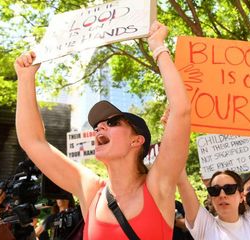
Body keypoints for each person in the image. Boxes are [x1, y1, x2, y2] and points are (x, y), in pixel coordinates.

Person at [14, 20, 191, 239]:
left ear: (136, 141)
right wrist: (25, 78)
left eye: (113, 122)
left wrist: (158, 47)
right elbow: (33, 142)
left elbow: (181, 111)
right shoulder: (91, 190)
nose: (100, 127)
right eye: (97, 126)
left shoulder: (158, 186)